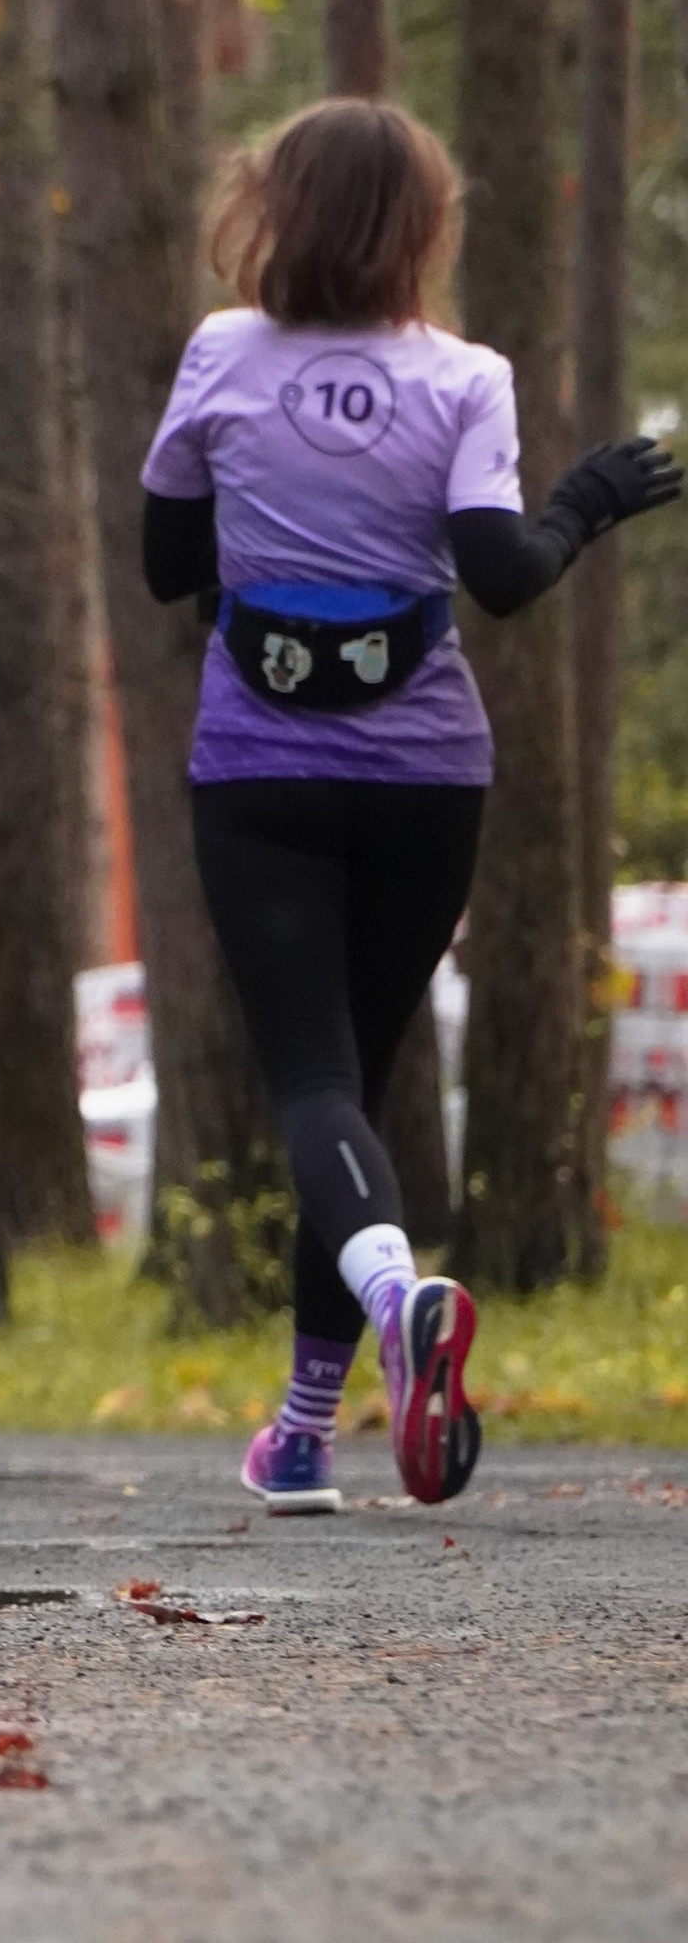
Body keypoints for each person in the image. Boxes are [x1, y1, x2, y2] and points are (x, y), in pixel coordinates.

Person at [143, 98, 680, 1511]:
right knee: (355, 1092)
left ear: (274, 211)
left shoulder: (222, 353)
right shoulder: (466, 377)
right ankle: (303, 1431)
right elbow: (501, 574)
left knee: (314, 1087)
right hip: (427, 771)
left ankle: (392, 1299)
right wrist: (583, 505)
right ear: (423, 228)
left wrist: (264, 540)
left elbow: (164, 561)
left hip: (261, 769)